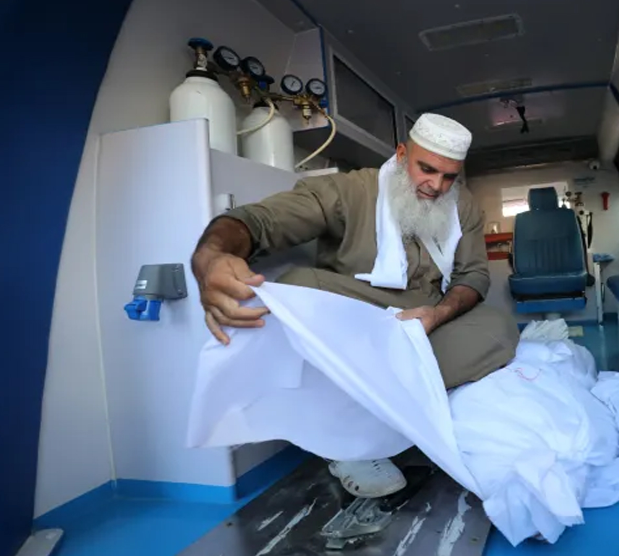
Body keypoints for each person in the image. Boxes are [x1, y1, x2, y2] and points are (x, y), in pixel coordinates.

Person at [190, 113, 520, 499]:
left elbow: (472, 276)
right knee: (297, 286)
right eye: (427, 169)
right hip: (360, 316)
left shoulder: (462, 205)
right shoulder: (351, 189)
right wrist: (212, 255)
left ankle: (376, 414)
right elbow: (259, 221)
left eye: (449, 177)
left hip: (425, 319)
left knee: (498, 329)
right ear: (402, 155)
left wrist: (437, 314)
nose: (436, 186)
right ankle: (358, 433)